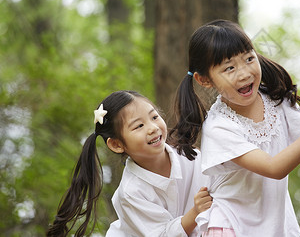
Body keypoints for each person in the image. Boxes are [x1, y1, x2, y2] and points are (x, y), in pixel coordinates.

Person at [170, 19, 300, 237]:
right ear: (204, 80)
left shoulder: (275, 99)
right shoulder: (220, 126)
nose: (244, 73)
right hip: (232, 227)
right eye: (229, 68)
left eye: (249, 59)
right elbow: (274, 169)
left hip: (274, 226)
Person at [47, 90, 212, 237]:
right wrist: (196, 211)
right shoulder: (131, 192)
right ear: (117, 145)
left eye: (154, 117)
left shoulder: (190, 156)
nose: (153, 128)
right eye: (139, 126)